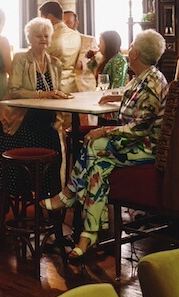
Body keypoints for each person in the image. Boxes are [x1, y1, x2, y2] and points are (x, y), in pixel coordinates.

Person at [42, 29, 167, 259]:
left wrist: (104, 130)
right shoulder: (146, 77)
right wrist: (117, 97)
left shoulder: (150, 83)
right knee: (97, 167)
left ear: (136, 52)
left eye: (131, 46)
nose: (128, 49)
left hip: (145, 148)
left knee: (93, 145)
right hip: (135, 143)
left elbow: (140, 128)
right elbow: (137, 101)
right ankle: (88, 234)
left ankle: (69, 196)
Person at [0, 17, 69, 201]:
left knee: (55, 155)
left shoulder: (55, 63)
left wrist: (61, 95)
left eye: (46, 36)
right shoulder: (21, 59)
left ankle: (49, 203)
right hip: (22, 124)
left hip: (48, 124)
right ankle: (31, 201)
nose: (43, 39)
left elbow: (56, 91)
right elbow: (15, 91)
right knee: (32, 163)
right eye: (38, 36)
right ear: (29, 38)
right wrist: (44, 94)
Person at [39, 0, 81, 96]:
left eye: (42, 18)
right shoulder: (76, 35)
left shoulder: (50, 37)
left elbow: (40, 62)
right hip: (73, 86)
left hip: (54, 88)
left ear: (49, 17)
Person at [63, 9, 99, 92]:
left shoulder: (89, 40)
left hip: (85, 87)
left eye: (68, 22)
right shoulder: (56, 43)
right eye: (62, 23)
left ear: (76, 23)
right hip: (65, 89)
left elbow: (94, 64)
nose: (64, 26)